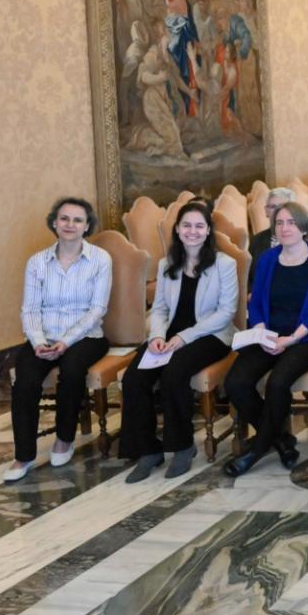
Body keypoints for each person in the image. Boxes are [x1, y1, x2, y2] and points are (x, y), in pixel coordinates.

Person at [119, 201, 237, 482]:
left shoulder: (224, 264)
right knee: (134, 378)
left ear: (208, 231)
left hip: (211, 335)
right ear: (178, 230)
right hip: (170, 335)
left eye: (199, 226)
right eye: (186, 225)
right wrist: (158, 337)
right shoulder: (166, 264)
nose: (192, 231)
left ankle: (183, 447)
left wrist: (184, 337)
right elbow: (159, 309)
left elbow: (226, 312)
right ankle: (148, 450)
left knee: (174, 374)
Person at [223, 203, 308, 477]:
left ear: (304, 227)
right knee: (235, 382)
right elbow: (257, 301)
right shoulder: (267, 259)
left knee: (278, 382)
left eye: (291, 222)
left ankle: (255, 451)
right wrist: (263, 332)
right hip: (269, 335)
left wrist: (291, 339)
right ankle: (281, 442)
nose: (285, 228)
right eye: (279, 223)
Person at [5, 198, 112, 484]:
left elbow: (97, 309)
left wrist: (65, 341)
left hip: (86, 337)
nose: (70, 225)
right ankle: (23, 455)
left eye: (78, 220)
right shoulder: (37, 262)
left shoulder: (100, 259)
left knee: (73, 371)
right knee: (25, 380)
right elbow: (29, 309)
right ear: (54, 222)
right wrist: (38, 342)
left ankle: (64, 439)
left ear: (87, 226)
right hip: (44, 336)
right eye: (64, 219)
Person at [248, 187, 295, 293]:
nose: (277, 212)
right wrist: (251, 294)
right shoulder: (256, 241)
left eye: (283, 207)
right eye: (273, 207)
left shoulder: (305, 241)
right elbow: (247, 278)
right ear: (266, 211)